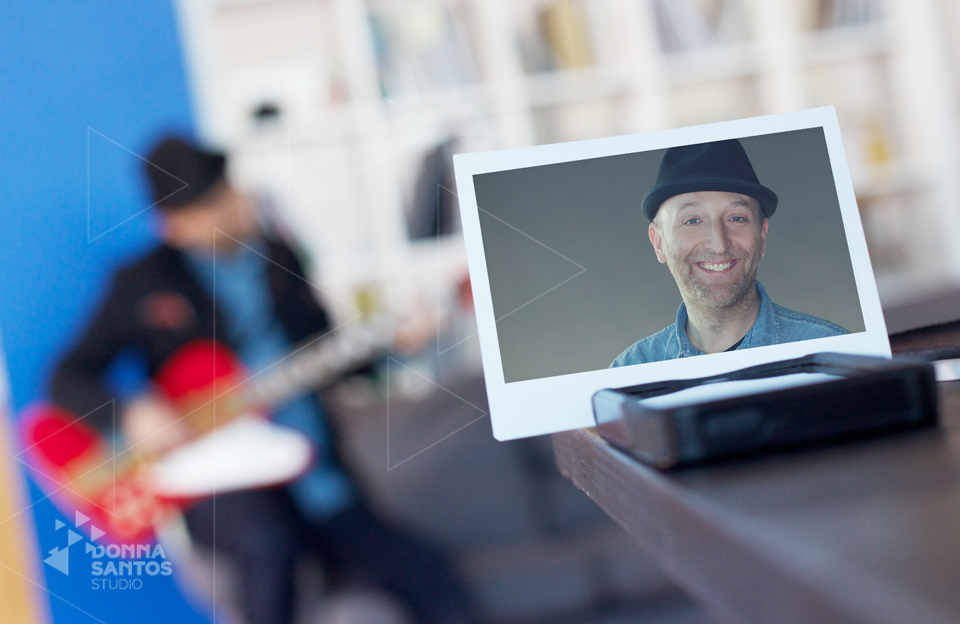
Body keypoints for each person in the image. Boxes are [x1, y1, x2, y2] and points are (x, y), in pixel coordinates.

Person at [50, 136, 477, 624]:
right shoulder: (143, 282)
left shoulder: (280, 257)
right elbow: (68, 376)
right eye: (214, 205)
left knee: (428, 577)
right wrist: (131, 412)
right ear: (176, 226)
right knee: (268, 551)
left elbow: (331, 356)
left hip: (314, 473)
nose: (235, 207)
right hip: (223, 481)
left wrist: (398, 344)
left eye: (228, 192)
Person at [611, 139, 848, 368]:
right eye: (692, 220)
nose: (719, 244)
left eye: (737, 218)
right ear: (659, 242)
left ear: (762, 235)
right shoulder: (628, 373)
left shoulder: (834, 354)